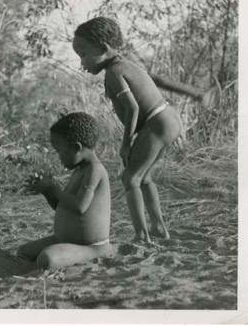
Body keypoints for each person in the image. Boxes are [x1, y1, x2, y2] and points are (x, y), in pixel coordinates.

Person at [72, 17, 182, 243]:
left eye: (83, 54)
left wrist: (126, 143)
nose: (82, 63)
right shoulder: (126, 64)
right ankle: (159, 229)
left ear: (103, 49)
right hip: (168, 118)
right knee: (143, 177)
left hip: (157, 121)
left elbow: (132, 108)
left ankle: (142, 235)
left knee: (130, 178)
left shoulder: (114, 71)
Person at [18, 112, 113, 270]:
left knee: (47, 258)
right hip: (65, 241)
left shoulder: (95, 170)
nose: (59, 156)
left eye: (59, 151)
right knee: (24, 251)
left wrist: (54, 188)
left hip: (91, 246)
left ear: (77, 147)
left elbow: (80, 206)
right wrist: (47, 190)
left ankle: (100, 253)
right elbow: (62, 206)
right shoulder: (79, 170)